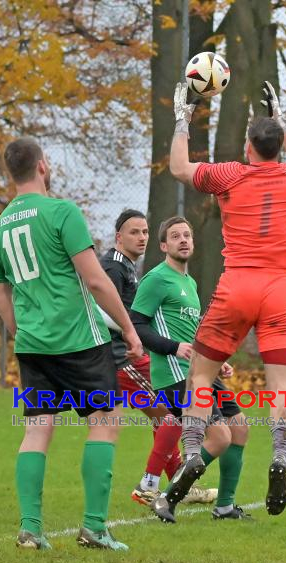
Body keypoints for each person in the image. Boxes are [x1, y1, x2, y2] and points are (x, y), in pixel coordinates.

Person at [155, 81, 286, 521]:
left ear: (248, 147)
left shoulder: (230, 173)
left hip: (238, 283)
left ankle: (191, 451)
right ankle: (280, 456)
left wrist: (183, 119)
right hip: (280, 287)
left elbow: (180, 167)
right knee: (282, 385)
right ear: (277, 146)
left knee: (201, 375)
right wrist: (281, 121)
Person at [0, 137, 142, 551]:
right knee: (106, 421)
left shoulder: (0, 225)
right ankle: (93, 528)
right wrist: (128, 330)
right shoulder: (61, 212)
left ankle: (30, 530)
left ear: (11, 172)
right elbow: (96, 280)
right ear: (42, 165)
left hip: (33, 343)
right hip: (77, 339)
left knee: (38, 428)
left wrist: (19, 330)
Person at [130, 216, 250, 523]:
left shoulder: (189, 282)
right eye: (175, 236)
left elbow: (193, 332)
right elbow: (136, 325)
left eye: (187, 235)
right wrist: (173, 347)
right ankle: (167, 499)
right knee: (220, 437)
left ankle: (224, 507)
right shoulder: (156, 279)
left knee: (239, 427)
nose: (183, 240)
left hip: (199, 369)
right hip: (175, 374)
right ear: (163, 245)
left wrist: (214, 357)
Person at [100, 209, 216, 506]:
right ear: (118, 237)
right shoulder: (114, 266)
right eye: (134, 232)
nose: (141, 237)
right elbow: (102, 311)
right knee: (172, 414)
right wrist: (132, 334)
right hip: (121, 357)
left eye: (145, 232)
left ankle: (174, 483)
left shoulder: (127, 266)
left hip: (128, 354)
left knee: (166, 417)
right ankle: (153, 483)